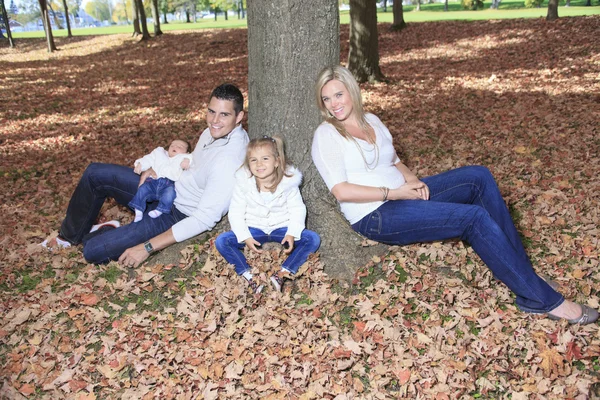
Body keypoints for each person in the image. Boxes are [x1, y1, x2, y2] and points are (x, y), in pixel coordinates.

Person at [311, 65, 598, 325]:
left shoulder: (371, 119)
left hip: (403, 193)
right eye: (327, 99)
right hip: (376, 214)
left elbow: (394, 160)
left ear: (352, 90)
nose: (334, 104)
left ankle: (524, 276)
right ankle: (544, 301)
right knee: (473, 218)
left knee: (479, 177)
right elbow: (340, 190)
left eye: (339, 94)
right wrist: (394, 192)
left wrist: (412, 180)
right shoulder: (327, 135)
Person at [42, 83, 250, 268]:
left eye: (224, 115)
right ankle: (68, 237)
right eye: (211, 111)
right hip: (167, 185)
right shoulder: (213, 132)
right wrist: (161, 169)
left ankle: (109, 232)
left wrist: (147, 247)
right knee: (95, 174)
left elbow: (203, 220)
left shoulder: (230, 161)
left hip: (175, 214)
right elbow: (193, 165)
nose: (214, 120)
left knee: (92, 251)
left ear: (239, 117)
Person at [215, 136, 321, 293]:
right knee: (222, 241)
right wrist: (245, 236)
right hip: (254, 229)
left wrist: (292, 233)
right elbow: (236, 211)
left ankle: (283, 273)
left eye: (265, 158)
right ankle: (249, 276)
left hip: (281, 228)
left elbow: (297, 209)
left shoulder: (288, 183)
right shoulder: (243, 184)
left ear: (277, 161)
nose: (259, 164)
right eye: (253, 160)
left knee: (312, 239)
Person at [129, 139, 193, 223]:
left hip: (168, 184)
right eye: (172, 145)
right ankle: (138, 209)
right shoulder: (159, 153)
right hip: (153, 180)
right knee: (142, 189)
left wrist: (187, 160)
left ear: (186, 152)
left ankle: (160, 209)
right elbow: (148, 159)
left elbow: (192, 158)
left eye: (180, 147)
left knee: (170, 194)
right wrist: (140, 164)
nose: (175, 147)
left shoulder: (183, 158)